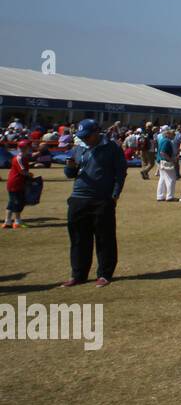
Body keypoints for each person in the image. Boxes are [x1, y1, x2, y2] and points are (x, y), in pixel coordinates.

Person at [61, 119, 126, 288]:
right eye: (82, 136)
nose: (85, 139)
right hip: (78, 197)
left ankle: (104, 274)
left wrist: (115, 194)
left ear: (97, 133)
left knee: (105, 238)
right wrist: (69, 166)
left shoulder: (112, 148)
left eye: (87, 136)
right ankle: (78, 274)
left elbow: (120, 173)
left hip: (102, 199)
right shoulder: (79, 148)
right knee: (78, 238)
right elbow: (70, 174)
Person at [4, 139, 32, 229]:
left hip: (16, 182)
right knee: (18, 202)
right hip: (16, 183)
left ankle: (7, 221)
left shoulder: (23, 157)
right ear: (23, 148)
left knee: (12, 202)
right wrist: (30, 175)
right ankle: (17, 221)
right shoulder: (19, 158)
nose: (30, 148)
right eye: (28, 147)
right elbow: (22, 171)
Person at [155, 125, 179, 202]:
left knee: (162, 179)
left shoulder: (162, 140)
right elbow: (163, 153)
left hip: (160, 161)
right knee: (171, 179)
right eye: (173, 134)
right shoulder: (167, 141)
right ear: (168, 134)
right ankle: (170, 196)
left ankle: (160, 196)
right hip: (165, 162)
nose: (174, 136)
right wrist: (171, 159)